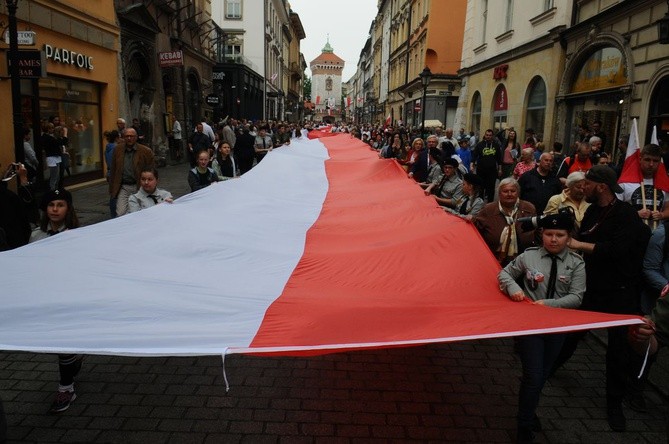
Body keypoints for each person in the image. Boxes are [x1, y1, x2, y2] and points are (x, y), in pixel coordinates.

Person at [556, 165, 651, 432]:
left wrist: (577, 245)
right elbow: (586, 235)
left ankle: (614, 405)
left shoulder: (626, 216)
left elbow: (615, 251)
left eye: (587, 183)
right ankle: (548, 371)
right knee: (573, 334)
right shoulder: (593, 211)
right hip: (593, 289)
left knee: (618, 352)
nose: (582, 187)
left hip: (621, 293)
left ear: (601, 186)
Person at [498, 211, 584, 444]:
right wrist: (512, 288)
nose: (553, 239)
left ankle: (530, 407)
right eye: (549, 234)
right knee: (534, 376)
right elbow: (504, 273)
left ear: (568, 237)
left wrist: (549, 304)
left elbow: (576, 297)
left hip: (558, 327)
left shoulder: (576, 263)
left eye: (560, 235)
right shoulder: (529, 257)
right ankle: (523, 425)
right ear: (541, 234)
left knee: (543, 375)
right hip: (531, 326)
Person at [30, 188, 84, 413]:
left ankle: (66, 388)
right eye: (51, 205)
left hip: (68, 296)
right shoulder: (36, 235)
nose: (54, 209)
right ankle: (74, 360)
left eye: (60, 205)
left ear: (68, 208)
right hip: (46, 295)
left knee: (63, 344)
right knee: (56, 344)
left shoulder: (76, 235)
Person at [474, 177, 537, 266]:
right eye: (505, 191)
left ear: (518, 193)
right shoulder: (488, 210)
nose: (509, 194)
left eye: (513, 191)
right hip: (493, 260)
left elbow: (538, 232)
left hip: (523, 261)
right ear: (499, 194)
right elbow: (476, 231)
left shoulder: (528, 208)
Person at [617, 143, 669, 228]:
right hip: (629, 232)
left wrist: (662, 215)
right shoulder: (625, 183)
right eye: (647, 160)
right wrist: (635, 214)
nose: (651, 164)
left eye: (655, 161)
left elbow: (668, 208)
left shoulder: (664, 183)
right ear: (640, 159)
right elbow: (614, 209)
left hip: (655, 235)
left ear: (660, 162)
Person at [108, 128, 155, 217]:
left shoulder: (145, 151)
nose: (129, 138)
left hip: (140, 186)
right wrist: (112, 188)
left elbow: (152, 171)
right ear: (123, 137)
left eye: (132, 136)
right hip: (124, 186)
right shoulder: (117, 150)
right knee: (120, 213)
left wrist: (151, 187)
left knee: (141, 212)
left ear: (136, 137)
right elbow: (113, 169)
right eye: (127, 136)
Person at [471, 129, 503, 203]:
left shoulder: (496, 145)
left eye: (490, 135)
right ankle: (480, 204)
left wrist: (500, 169)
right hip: (481, 170)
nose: (488, 137)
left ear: (492, 136)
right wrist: (471, 165)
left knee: (491, 189)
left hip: (492, 171)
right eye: (487, 135)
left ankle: (490, 204)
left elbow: (499, 159)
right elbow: (474, 156)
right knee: (480, 188)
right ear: (485, 135)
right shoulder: (480, 145)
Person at [104, 130, 121, 218]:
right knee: (115, 194)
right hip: (115, 173)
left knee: (113, 193)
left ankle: (114, 213)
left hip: (110, 172)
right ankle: (114, 215)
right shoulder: (115, 148)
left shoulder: (107, 148)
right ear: (116, 138)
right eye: (119, 137)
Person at [40, 123, 62, 191]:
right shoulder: (48, 137)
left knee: (56, 176)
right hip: (52, 158)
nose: (53, 129)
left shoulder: (48, 137)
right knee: (54, 177)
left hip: (54, 157)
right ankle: (53, 191)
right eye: (52, 128)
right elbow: (57, 143)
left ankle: (55, 190)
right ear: (48, 129)